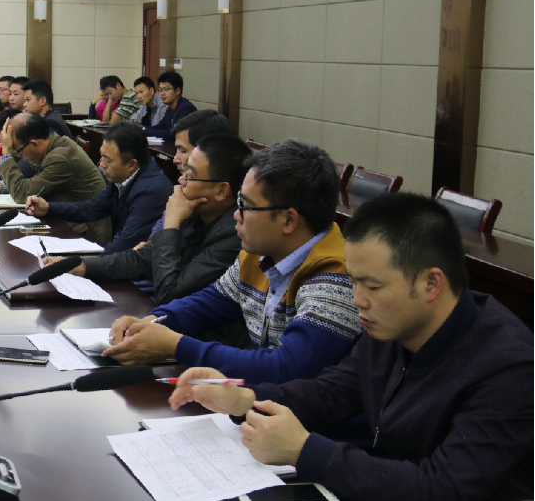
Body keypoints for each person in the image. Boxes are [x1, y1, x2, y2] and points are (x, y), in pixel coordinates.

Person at [168, 193, 534, 501]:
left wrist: (305, 450)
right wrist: (246, 399)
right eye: (354, 282)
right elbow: (331, 393)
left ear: (431, 283)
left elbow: (443, 494)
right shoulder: (394, 324)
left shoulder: (508, 368)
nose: (357, 299)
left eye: (372, 287)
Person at [104, 139, 362, 385]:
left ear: (288, 220)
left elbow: (285, 368)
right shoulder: (259, 254)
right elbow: (207, 303)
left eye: (246, 206)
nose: (237, 215)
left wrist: (176, 346)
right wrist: (152, 322)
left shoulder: (338, 278)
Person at [47, 134, 250, 304]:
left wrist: (171, 225)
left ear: (221, 191)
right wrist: (82, 265)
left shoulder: (234, 237)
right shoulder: (195, 211)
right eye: (185, 170)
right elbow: (140, 259)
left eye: (190, 175)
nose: (181, 179)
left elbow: (169, 294)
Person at [27, 123, 173, 254]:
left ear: (131, 165)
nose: (101, 164)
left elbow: (124, 246)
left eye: (107, 159)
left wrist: (80, 265)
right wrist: (48, 208)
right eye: (101, 157)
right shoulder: (122, 177)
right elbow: (90, 209)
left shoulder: (150, 192)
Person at [0, 112, 108, 242]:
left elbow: (21, 193)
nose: (17, 155)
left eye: (16, 150)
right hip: (67, 223)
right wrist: (3, 187)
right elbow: (37, 182)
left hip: (85, 233)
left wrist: (6, 152)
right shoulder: (56, 144)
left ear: (34, 144)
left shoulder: (60, 157)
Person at [145, 110, 236, 239]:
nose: (175, 159)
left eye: (183, 151)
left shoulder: (234, 228)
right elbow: (154, 238)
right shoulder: (186, 192)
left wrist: (171, 225)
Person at [145, 71, 196, 139]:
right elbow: (160, 127)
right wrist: (142, 129)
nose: (162, 93)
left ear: (178, 91)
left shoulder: (186, 109)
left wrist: (145, 130)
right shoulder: (170, 108)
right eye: (160, 90)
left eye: (166, 89)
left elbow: (173, 134)